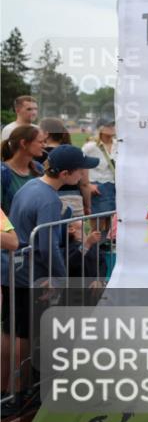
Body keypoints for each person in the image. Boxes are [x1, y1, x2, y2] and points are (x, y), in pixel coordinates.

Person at [1, 145, 99, 396]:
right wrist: (60, 278)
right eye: (80, 171)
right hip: (28, 273)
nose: (82, 177)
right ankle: (18, 390)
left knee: (11, 328)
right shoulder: (49, 200)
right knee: (23, 332)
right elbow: (47, 245)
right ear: (65, 173)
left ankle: (9, 387)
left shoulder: (31, 186)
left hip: (13, 267)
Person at [40, 117, 93, 219]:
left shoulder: (37, 153)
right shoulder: (75, 152)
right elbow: (84, 183)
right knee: (77, 233)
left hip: (47, 198)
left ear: (45, 133)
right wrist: (87, 205)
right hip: (73, 199)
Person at [1, 125, 46, 215]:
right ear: (24, 143)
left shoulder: (39, 169)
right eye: (40, 142)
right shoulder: (3, 173)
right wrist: (9, 229)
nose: (44, 145)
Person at [82, 120, 116, 234]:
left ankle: (106, 247)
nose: (112, 127)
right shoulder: (90, 147)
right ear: (100, 129)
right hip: (98, 186)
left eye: (113, 125)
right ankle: (94, 249)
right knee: (97, 224)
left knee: (112, 223)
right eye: (108, 125)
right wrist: (88, 185)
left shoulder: (119, 144)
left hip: (116, 186)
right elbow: (81, 166)